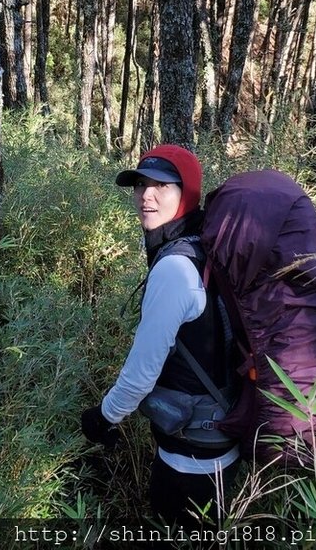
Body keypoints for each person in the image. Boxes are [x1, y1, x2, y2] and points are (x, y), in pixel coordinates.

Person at [80, 144, 240, 525]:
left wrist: (103, 417)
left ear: (187, 195)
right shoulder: (203, 247)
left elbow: (141, 374)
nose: (145, 196)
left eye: (162, 186)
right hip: (218, 448)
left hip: (190, 464)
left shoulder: (174, 269)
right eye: (140, 184)